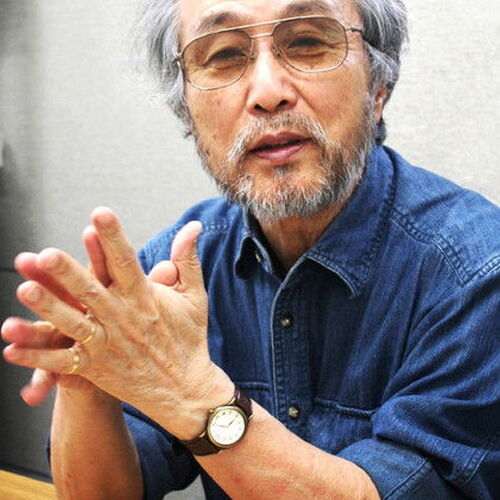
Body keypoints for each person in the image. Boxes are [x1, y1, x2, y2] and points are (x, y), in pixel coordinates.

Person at [1, 0, 499, 498]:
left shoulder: (475, 272)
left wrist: (193, 393)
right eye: (223, 54)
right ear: (186, 110)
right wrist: (90, 385)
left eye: (308, 42)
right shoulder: (179, 265)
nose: (267, 93)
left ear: (378, 89)